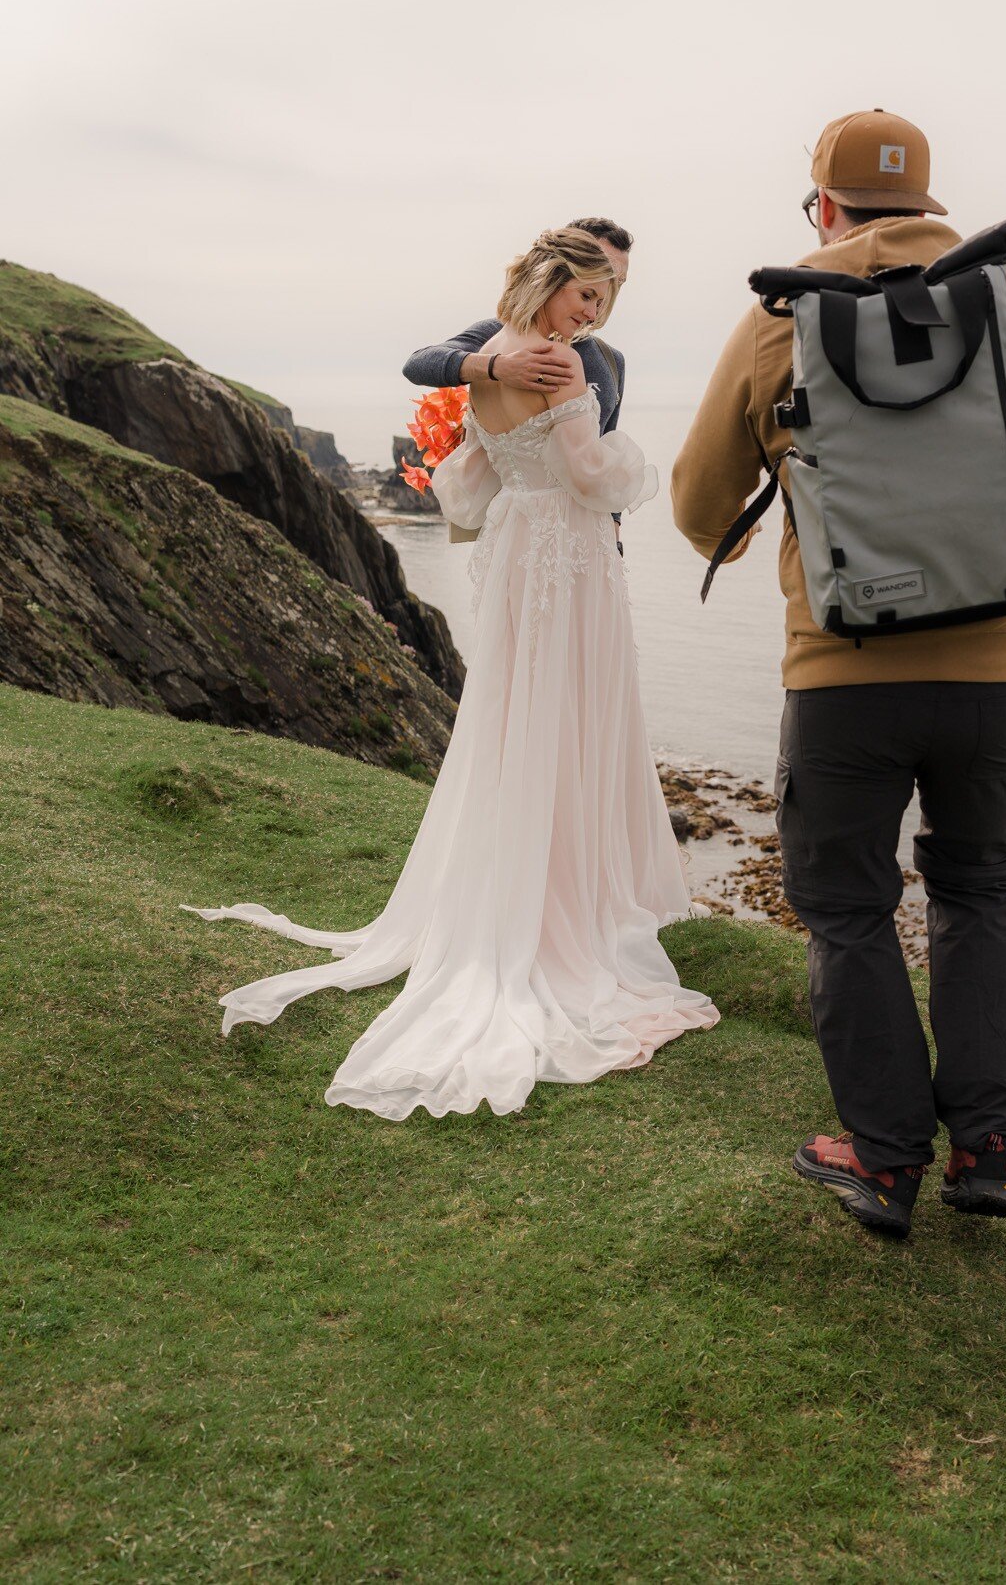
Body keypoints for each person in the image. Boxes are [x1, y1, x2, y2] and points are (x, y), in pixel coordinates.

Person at [672, 110, 1006, 1236]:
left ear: (821, 208)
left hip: (841, 677)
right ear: (929, 202)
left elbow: (695, 503)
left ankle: (881, 1162)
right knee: (979, 892)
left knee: (847, 910)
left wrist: (773, 524)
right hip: (997, 680)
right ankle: (985, 1152)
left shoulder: (780, 317)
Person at [186, 226, 717, 1118]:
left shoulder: (502, 352)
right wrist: (634, 469)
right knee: (571, 710)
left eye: (607, 297)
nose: (596, 309)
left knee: (519, 712)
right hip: (569, 550)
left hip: (515, 550)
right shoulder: (551, 361)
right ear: (551, 281)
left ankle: (536, 883)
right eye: (588, 292)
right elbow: (591, 471)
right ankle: (568, 906)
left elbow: (470, 479)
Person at [403, 215, 632, 430]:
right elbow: (417, 365)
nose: (609, 287)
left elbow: (605, 444)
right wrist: (497, 366)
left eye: (618, 282)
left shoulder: (611, 361)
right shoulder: (500, 335)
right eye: (602, 269)